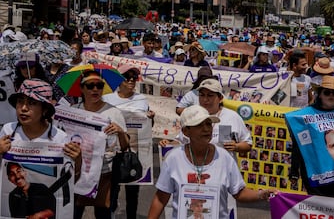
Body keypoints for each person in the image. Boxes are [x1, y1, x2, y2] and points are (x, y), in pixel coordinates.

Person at [147, 105, 277, 218]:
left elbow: (239, 193)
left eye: (208, 124)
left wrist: (261, 194)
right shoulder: (173, 158)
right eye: (199, 125)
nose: (206, 129)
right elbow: (161, 198)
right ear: (186, 131)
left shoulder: (224, 158)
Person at [0, 79, 81, 218]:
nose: (23, 108)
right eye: (20, 101)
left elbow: (72, 181)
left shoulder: (59, 138)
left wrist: (78, 160)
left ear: (45, 110)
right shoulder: (8, 130)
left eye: (32, 103)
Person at [286, 76, 334, 197]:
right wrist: (294, 171)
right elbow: (298, 146)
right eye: (327, 92)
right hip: (314, 171)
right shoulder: (305, 115)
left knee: (332, 202)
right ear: (320, 94)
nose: (331, 96)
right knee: (316, 205)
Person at [72, 70, 128, 219]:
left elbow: (124, 147)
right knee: (73, 213)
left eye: (99, 85)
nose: (95, 89)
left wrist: (120, 132)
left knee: (104, 214)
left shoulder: (114, 112)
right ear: (82, 89)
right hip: (77, 173)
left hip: (106, 174)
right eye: (90, 86)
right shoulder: (72, 112)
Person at [103, 65, 155, 219]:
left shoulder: (141, 99)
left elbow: (148, 126)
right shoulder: (107, 98)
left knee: (133, 189)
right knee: (112, 188)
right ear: (119, 80)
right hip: (112, 150)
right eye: (127, 77)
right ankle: (111, 213)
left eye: (134, 77)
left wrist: (151, 118)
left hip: (134, 150)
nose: (132, 80)